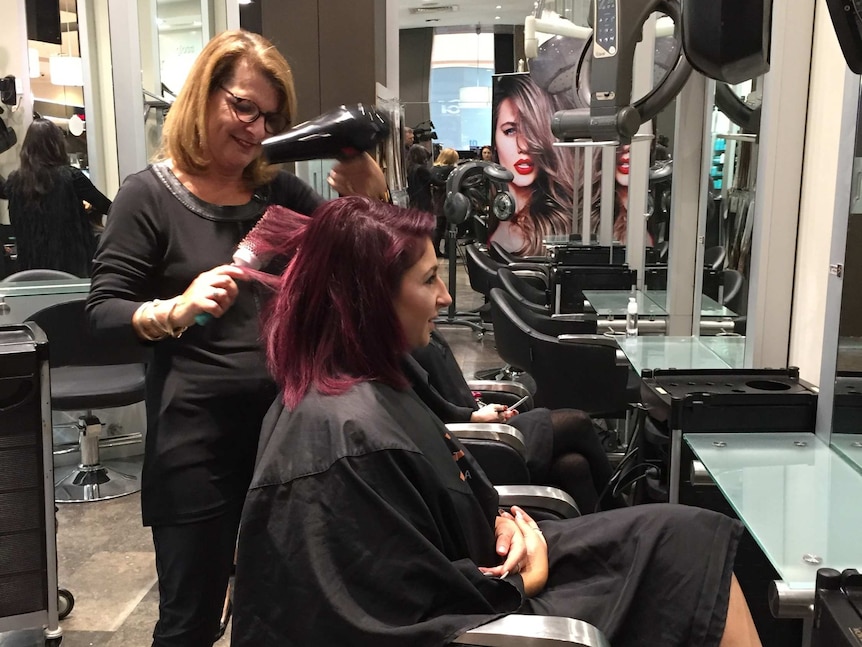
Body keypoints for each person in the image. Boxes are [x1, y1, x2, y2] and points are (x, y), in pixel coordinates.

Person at [231, 195, 762, 647]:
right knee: (688, 559)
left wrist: (500, 518)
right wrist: (526, 582)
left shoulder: (366, 385)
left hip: (486, 563)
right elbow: (394, 617)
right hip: (479, 609)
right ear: (369, 301)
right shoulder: (345, 443)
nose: (445, 297)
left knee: (689, 534)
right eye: (429, 279)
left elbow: (428, 509)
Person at [85, 29, 386, 647]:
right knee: (189, 622)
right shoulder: (147, 197)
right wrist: (175, 308)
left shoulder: (280, 193)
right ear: (203, 95)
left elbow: (368, 266)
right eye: (242, 106)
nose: (255, 128)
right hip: (195, 446)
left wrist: (372, 201)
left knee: (281, 612)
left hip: (288, 437)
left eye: (270, 116)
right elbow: (102, 315)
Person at [409, 329, 623, 512]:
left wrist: (482, 412)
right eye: (428, 281)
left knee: (574, 465)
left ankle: (611, 538)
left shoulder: (421, 331)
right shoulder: (403, 348)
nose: (445, 297)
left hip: (478, 430)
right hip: (472, 450)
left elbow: (450, 394)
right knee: (578, 422)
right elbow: (428, 416)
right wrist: (473, 417)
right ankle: (622, 513)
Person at [490, 74, 600, 256]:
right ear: (495, 140)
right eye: (510, 131)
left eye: (532, 130)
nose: (524, 146)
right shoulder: (495, 225)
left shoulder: (561, 222)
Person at [0, 118, 111, 276]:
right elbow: (109, 208)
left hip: (30, 271)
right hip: (74, 270)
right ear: (57, 145)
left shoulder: (14, 182)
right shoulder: (71, 177)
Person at [430, 147, 459, 257]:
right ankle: (449, 251)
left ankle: (435, 250)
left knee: (438, 228)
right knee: (450, 227)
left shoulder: (433, 169)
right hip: (449, 201)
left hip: (437, 200)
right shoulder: (452, 171)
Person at [406, 143, 433, 213]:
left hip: (413, 200)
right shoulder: (421, 169)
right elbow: (434, 181)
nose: (426, 161)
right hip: (423, 201)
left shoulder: (410, 168)